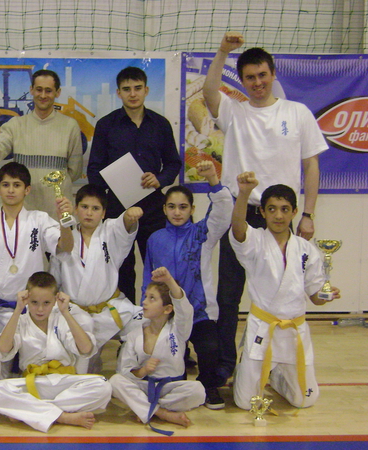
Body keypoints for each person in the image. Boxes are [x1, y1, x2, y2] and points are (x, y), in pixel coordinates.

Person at [202, 33, 329, 378]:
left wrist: (308, 214)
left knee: (281, 294)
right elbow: (209, 92)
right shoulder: (234, 111)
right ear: (242, 81)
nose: (257, 83)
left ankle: (274, 365)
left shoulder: (297, 113)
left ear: (272, 74)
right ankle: (225, 365)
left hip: (280, 217)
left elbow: (311, 166)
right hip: (240, 215)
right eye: (250, 77)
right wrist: (223, 51)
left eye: (262, 75)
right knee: (229, 296)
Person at [230, 172, 339, 410]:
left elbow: (315, 297)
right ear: (262, 212)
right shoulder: (255, 241)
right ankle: (245, 370)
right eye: (272, 209)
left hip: (294, 330)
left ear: (294, 212)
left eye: (284, 209)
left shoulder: (306, 249)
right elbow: (238, 229)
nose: (278, 215)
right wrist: (244, 193)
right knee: (246, 403)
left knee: (305, 400)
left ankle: (277, 377)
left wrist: (326, 294)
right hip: (263, 327)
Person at [141, 161, 232, 409]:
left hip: (200, 312)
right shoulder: (155, 239)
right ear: (164, 209)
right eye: (172, 207)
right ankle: (176, 386)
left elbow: (223, 212)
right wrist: (146, 307)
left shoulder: (202, 235)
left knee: (210, 348)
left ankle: (208, 386)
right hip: (168, 315)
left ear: (192, 209)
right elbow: (148, 276)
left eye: (183, 207)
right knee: (171, 356)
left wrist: (213, 179)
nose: (177, 212)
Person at [87, 66, 182, 302]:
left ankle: (159, 316)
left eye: (137, 88)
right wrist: (117, 180)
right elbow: (94, 170)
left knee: (159, 266)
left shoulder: (160, 124)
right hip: (118, 209)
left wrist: (160, 179)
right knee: (121, 268)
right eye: (127, 89)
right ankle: (125, 318)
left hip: (154, 207)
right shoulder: (106, 125)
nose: (133, 94)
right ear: (118, 92)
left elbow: (173, 163)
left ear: (146, 90)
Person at [0, 272, 112, 432]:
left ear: (55, 300)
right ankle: (62, 416)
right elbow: (3, 349)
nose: (40, 309)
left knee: (103, 387)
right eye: (34, 302)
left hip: (63, 382)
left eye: (46, 303)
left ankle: (32, 411)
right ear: (27, 299)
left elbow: (86, 349)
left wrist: (66, 312)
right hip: (34, 384)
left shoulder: (62, 319)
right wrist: (17, 310)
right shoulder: (21, 321)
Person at [50, 184, 144, 372]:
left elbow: (124, 225)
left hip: (108, 308)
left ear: (103, 213)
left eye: (95, 208)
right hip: (75, 312)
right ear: (75, 209)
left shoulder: (110, 231)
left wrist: (129, 216)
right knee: (84, 368)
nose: (89, 213)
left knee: (143, 324)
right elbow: (55, 278)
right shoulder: (66, 237)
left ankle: (127, 373)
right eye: (84, 207)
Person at [0, 162, 74, 335]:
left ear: (27, 190)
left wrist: (64, 222)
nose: (11, 190)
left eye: (17, 185)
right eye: (6, 185)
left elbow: (65, 247)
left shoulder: (39, 219)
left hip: (32, 309)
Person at [0, 69, 83, 217]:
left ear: (57, 92)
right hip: (23, 214)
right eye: (39, 89)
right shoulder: (15, 124)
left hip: (57, 214)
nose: (43, 95)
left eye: (48, 91)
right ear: (31, 90)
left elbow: (75, 172)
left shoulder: (70, 126)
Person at [110, 267, 205, 430]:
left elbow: (184, 309)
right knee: (115, 382)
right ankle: (162, 413)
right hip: (143, 386)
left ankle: (146, 408)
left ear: (167, 309)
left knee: (198, 391)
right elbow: (124, 370)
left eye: (152, 298)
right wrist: (143, 370)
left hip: (169, 389)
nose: (144, 302)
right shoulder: (134, 334)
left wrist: (169, 280)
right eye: (146, 296)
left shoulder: (178, 330)